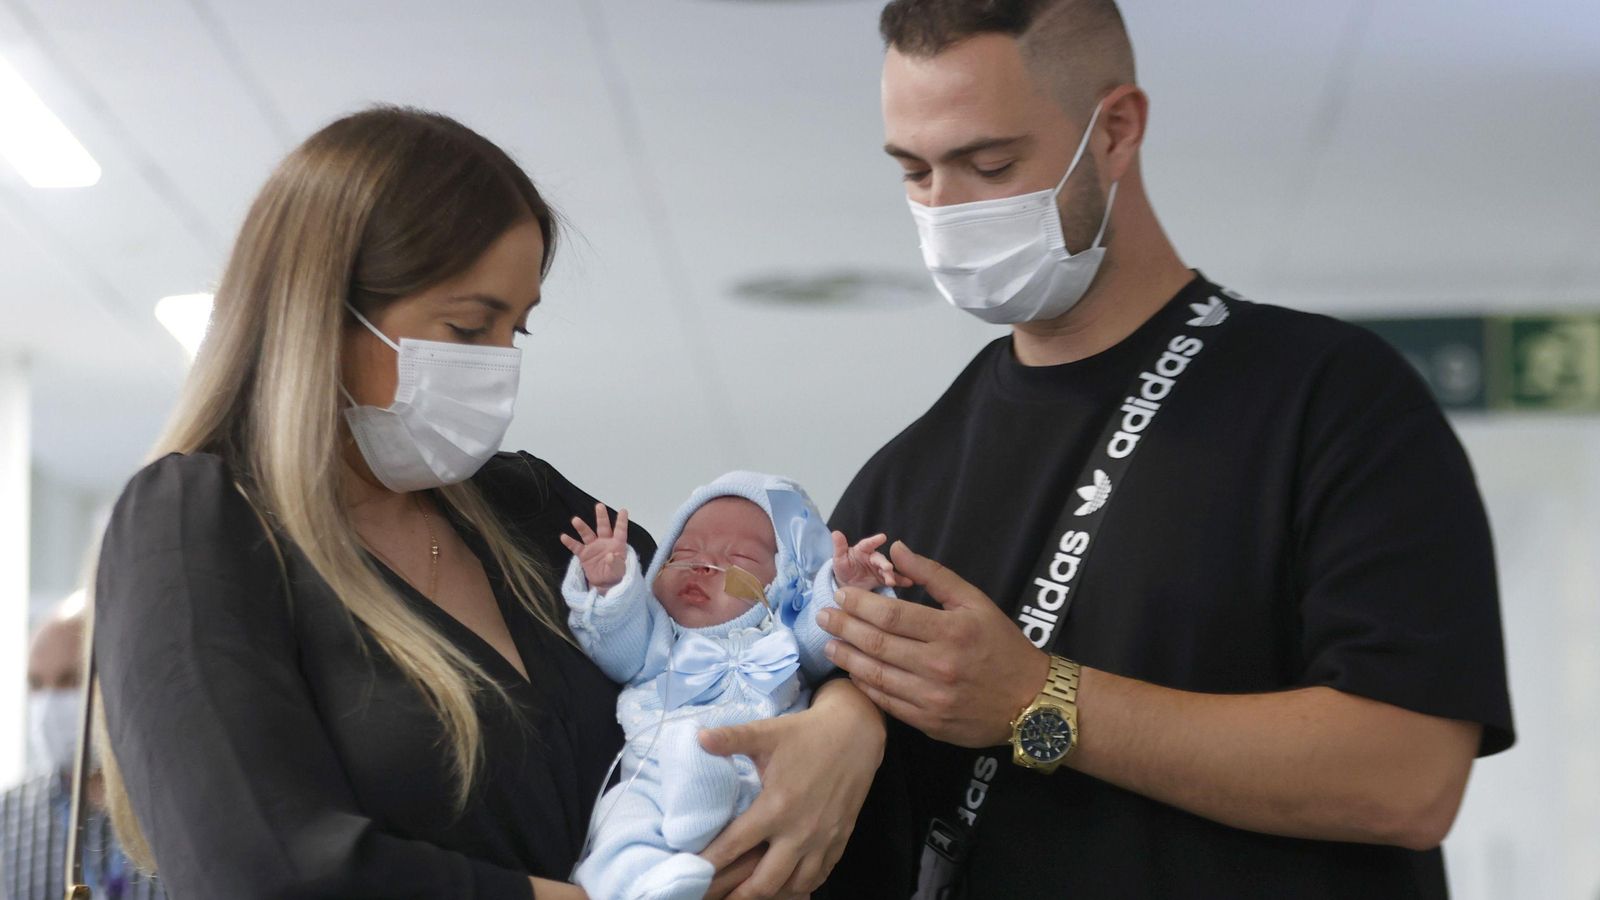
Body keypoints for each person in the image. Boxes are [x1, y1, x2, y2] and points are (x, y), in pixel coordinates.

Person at [91, 107, 883, 900]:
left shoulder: (522, 509)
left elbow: (744, 630)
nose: (498, 366)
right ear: (323, 312)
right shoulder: (198, 526)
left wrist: (850, 724)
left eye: (518, 331)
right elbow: (257, 866)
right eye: (469, 328)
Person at [817, 2, 1515, 898]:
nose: (946, 210)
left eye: (991, 164)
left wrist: (1041, 699)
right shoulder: (898, 485)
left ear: (1115, 130)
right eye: (914, 171)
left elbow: (1408, 778)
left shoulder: (1330, 398)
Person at [559, 472, 904, 900]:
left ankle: (697, 813)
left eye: (738, 560)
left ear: (783, 585)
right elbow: (615, 646)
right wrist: (611, 586)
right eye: (682, 553)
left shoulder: (780, 639)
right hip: (652, 778)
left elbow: (826, 635)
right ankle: (648, 885)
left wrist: (844, 587)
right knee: (618, 826)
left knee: (704, 757)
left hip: (761, 792)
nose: (702, 566)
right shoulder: (657, 637)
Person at [1, 603, 166, 900]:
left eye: (70, 680)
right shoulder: (8, 817)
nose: (49, 703)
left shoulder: (169, 812)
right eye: (36, 684)